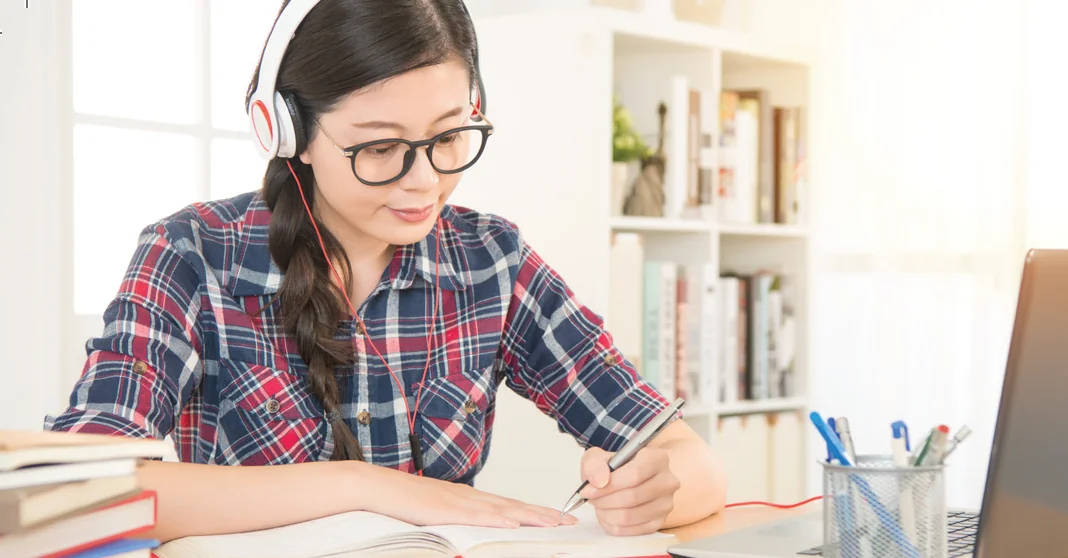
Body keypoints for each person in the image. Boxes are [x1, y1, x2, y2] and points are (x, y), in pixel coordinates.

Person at [45, 0, 727, 544]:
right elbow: (84, 491)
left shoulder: (492, 261)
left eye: (450, 136)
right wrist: (364, 485)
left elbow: (688, 460)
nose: (423, 181)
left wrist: (655, 488)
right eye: (379, 147)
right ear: (288, 132)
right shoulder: (191, 253)